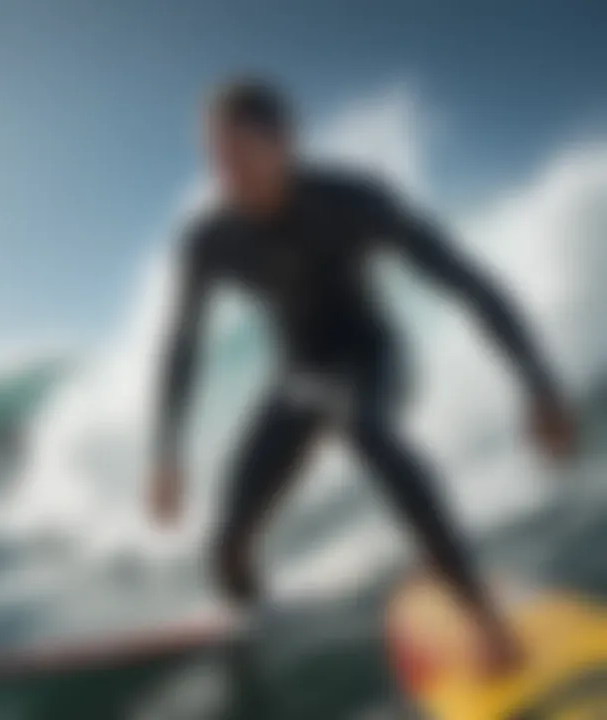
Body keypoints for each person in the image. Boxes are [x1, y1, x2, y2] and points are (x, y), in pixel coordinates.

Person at [147, 78, 575, 672]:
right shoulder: (210, 240)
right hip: (297, 378)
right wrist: (167, 450)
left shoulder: (352, 202)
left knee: (366, 430)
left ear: (284, 144)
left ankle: (483, 619)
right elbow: (183, 343)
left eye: (240, 155)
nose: (227, 175)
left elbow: (464, 279)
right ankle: (250, 617)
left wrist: (538, 383)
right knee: (227, 545)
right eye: (215, 159)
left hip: (373, 357)